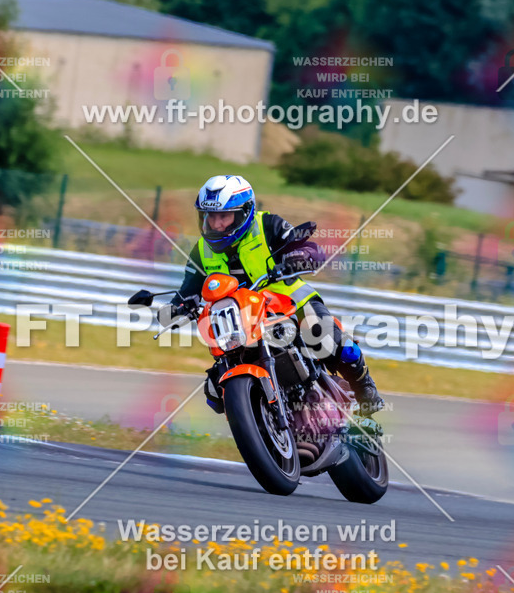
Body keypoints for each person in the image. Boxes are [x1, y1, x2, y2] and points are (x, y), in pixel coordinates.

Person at [161, 174, 383, 415]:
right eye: (210, 217)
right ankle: (263, 424)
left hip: (288, 303)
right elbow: (188, 289)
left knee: (324, 335)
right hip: (240, 323)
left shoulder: (267, 226)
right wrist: (175, 309)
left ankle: (364, 387)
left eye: (223, 216)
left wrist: (298, 257)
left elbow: (309, 248)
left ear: (244, 213)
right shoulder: (201, 252)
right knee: (215, 393)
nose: (216, 225)